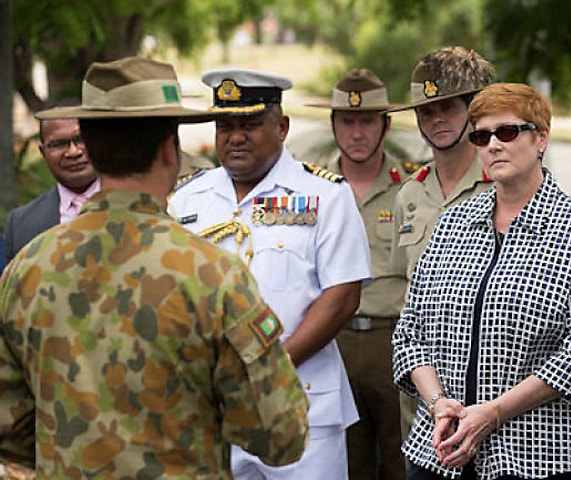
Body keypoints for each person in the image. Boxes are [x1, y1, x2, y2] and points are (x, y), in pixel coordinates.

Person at [0, 56, 309, 478]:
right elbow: (281, 435)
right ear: (170, 149)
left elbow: (11, 433)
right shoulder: (213, 274)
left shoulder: (26, 270)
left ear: (90, 146)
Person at [392, 83, 571, 480]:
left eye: (507, 132)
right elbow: (409, 333)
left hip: (538, 457)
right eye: (481, 135)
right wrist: (440, 404)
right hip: (440, 449)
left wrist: (493, 413)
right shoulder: (453, 222)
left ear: (541, 138)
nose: (493, 145)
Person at [169, 67, 371, 480]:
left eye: (250, 124)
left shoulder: (326, 196)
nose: (235, 136)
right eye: (225, 125)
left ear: (281, 127)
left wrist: (272, 363)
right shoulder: (188, 198)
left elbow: (343, 295)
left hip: (303, 404)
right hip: (214, 409)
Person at [389, 45, 497, 440]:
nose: (435, 120)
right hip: (424, 383)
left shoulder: (502, 183)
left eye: (447, 108)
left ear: (474, 109)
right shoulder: (410, 195)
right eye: (425, 111)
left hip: (489, 378)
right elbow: (405, 285)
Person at [305, 68, 407, 480]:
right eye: (347, 121)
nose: (357, 132)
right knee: (343, 462)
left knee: (404, 456)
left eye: (368, 121)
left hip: (395, 340)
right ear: (333, 125)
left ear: (386, 124)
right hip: (331, 339)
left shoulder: (414, 187)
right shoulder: (310, 188)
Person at [3, 99, 100, 266]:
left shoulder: (138, 205)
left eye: (81, 139)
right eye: (59, 144)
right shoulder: (21, 224)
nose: (73, 151)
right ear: (43, 152)